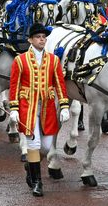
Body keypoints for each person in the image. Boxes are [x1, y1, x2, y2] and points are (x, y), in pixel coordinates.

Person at [9, 23, 70, 197]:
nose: (42, 39)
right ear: (30, 40)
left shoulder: (53, 60)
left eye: (44, 37)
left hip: (47, 108)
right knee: (34, 144)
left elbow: (60, 84)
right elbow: (14, 86)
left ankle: (31, 166)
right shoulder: (20, 60)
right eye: (38, 37)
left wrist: (64, 106)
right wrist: (14, 108)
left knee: (46, 146)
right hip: (28, 108)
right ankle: (37, 182)